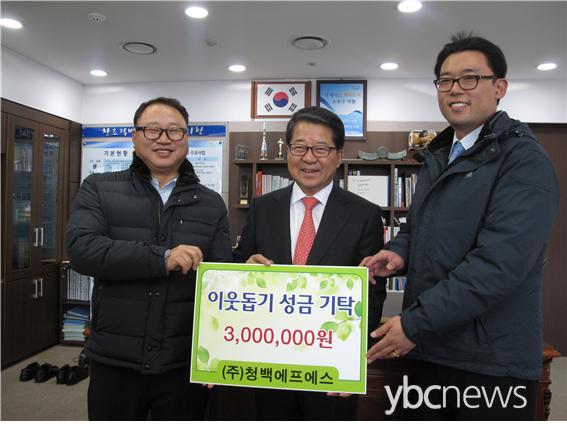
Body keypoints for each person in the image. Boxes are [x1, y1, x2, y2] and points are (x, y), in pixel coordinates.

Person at [362, 32, 560, 420]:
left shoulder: (523, 160)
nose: (456, 89)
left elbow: (497, 265)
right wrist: (397, 253)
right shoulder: (439, 155)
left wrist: (414, 324)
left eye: (470, 78)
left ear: (499, 87)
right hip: (429, 350)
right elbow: (418, 227)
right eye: (446, 80)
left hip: (488, 362)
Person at [66, 97, 232, 420]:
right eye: (153, 130)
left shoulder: (211, 204)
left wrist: (246, 275)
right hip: (116, 361)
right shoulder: (98, 188)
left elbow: (219, 279)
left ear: (187, 138)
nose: (164, 139)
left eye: (174, 131)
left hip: (183, 363)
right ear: (135, 136)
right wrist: (162, 258)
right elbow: (83, 251)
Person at [233, 106, 387, 420]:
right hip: (270, 363)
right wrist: (244, 271)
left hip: (330, 369)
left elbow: (372, 294)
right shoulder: (263, 208)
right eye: (300, 147)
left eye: (321, 149)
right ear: (288, 151)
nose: (309, 158)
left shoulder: (364, 214)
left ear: (339, 155)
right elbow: (238, 270)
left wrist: (352, 361)